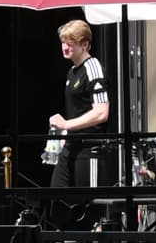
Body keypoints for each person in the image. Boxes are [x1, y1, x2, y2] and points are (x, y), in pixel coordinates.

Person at [46, 17, 110, 199]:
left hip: (89, 149)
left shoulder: (93, 68)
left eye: (71, 43)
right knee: (57, 199)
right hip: (71, 146)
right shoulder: (72, 71)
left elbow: (101, 112)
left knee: (88, 204)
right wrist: (64, 133)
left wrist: (67, 124)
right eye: (63, 43)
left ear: (85, 45)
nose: (65, 47)